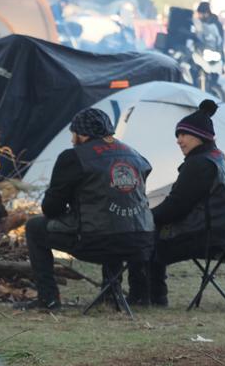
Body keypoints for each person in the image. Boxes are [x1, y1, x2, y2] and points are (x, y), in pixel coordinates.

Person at [21, 109, 155, 310]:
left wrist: (68, 211)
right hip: (141, 242)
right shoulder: (136, 155)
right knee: (112, 221)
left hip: (96, 242)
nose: (72, 140)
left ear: (81, 134)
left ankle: (48, 299)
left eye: (73, 134)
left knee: (34, 227)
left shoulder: (74, 157)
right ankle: (110, 294)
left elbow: (51, 208)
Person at [127, 100, 225, 305]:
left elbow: (177, 207)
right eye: (178, 136)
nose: (179, 141)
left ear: (200, 136)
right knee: (151, 233)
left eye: (184, 135)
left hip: (209, 236)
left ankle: (145, 297)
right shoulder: (218, 158)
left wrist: (144, 218)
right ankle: (153, 296)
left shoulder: (200, 164)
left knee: (142, 238)